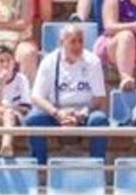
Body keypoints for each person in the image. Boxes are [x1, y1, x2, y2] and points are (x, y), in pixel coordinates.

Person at [26, 21, 108, 166]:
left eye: (80, 41)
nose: (77, 46)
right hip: (56, 112)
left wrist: (82, 113)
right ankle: (40, 168)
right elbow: (37, 96)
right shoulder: (49, 61)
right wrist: (57, 113)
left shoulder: (93, 61)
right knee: (33, 120)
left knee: (99, 120)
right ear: (62, 42)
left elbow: (99, 97)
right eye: (73, 42)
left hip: (84, 113)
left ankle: (97, 167)